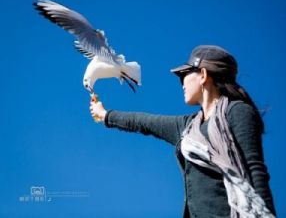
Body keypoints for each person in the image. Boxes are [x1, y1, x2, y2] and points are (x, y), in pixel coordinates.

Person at [89, 45, 276, 218]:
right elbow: (143, 121)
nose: (182, 82)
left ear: (203, 75)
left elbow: (255, 169)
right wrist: (105, 115)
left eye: (184, 75)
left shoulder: (237, 112)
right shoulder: (187, 127)